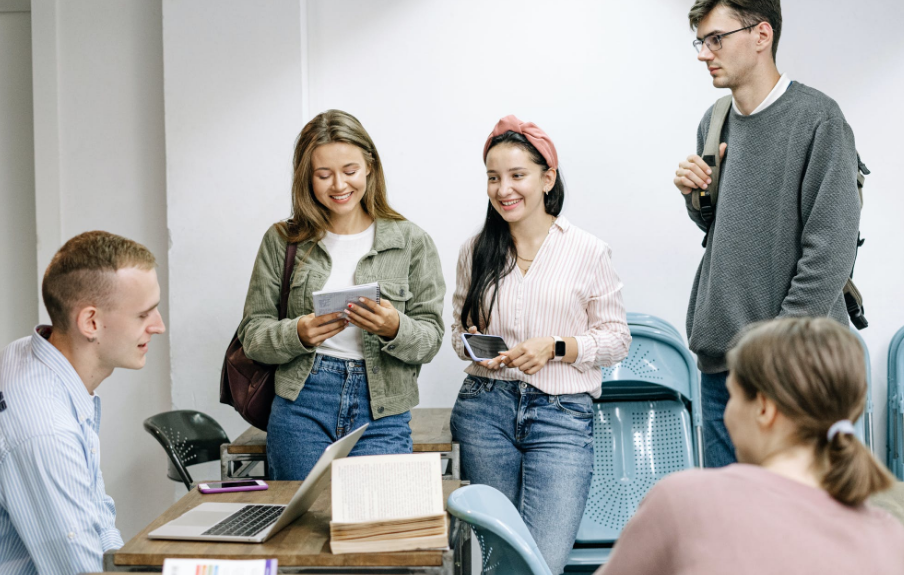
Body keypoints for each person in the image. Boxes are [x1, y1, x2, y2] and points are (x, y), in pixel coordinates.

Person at [673, 0, 863, 467]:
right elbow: (727, 227)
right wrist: (695, 195)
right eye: (701, 41)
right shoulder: (713, 120)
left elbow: (829, 254)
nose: (704, 53)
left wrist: (772, 353)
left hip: (796, 370)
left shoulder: (819, 119)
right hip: (722, 370)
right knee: (730, 529)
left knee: (803, 529)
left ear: (761, 36)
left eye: (716, 38)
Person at [450, 115, 632, 575]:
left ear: (547, 178)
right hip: (484, 410)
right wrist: (470, 342)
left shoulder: (588, 250)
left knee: (541, 562)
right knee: (497, 558)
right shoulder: (476, 251)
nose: (503, 189)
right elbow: (456, 332)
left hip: (563, 415)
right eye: (493, 178)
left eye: (517, 176)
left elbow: (616, 339)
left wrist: (555, 347)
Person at [599, 317, 904, 574]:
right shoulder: (891, 536)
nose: (725, 414)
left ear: (763, 408)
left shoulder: (684, 501)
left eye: (731, 397)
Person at [239, 109, 445, 481]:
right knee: (299, 530)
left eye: (349, 170)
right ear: (307, 177)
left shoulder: (411, 242)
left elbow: (431, 340)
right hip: (302, 403)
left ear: (369, 166)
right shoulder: (282, 241)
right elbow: (253, 335)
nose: (338, 185)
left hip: (382, 408)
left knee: (375, 528)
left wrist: (395, 327)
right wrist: (298, 333)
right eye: (323, 174)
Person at [0, 231, 166, 575]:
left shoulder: (31, 355)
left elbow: (96, 520)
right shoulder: (47, 432)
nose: (159, 326)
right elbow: (82, 571)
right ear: (91, 322)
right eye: (143, 315)